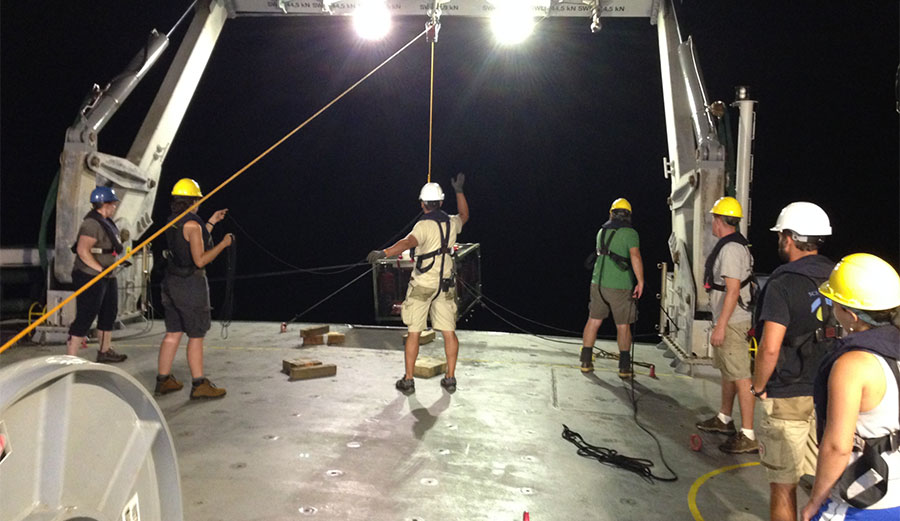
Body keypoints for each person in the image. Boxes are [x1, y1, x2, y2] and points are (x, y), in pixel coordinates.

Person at [751, 201, 837, 521]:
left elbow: (770, 347)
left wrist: (759, 386)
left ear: (789, 237)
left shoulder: (782, 284)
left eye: (780, 236)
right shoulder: (838, 276)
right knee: (823, 483)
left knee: (783, 485)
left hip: (788, 393)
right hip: (829, 394)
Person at [801, 254, 900, 521]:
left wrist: (814, 502)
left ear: (851, 314)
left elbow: (837, 446)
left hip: (863, 499)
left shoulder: (853, 364)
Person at [367, 174, 469, 394]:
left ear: (422, 204)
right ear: (441, 202)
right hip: (445, 285)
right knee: (449, 332)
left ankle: (409, 380)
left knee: (414, 332)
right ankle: (450, 378)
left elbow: (406, 243)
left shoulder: (422, 226)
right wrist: (459, 190)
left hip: (423, 284)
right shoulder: (451, 222)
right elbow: (464, 215)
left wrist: (383, 253)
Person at [154, 178, 233, 400]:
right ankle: (199, 384)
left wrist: (211, 222)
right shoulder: (193, 225)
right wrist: (223, 244)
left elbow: (188, 243)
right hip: (190, 286)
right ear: (193, 201)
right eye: (198, 199)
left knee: (173, 333)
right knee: (196, 335)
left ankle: (164, 380)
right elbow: (200, 259)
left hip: (170, 283)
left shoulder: (173, 221)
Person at [695, 197, 758, 454]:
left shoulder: (731, 250)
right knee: (729, 371)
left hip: (733, 322)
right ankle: (724, 419)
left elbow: (732, 291)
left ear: (719, 220)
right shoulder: (734, 245)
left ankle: (749, 434)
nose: (712, 221)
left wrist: (720, 326)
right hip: (730, 319)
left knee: (741, 376)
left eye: (713, 217)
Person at [580, 197, 644, 379]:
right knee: (623, 326)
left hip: (597, 283)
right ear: (629, 216)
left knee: (593, 320)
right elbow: (635, 257)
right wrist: (640, 281)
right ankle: (624, 367)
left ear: (611, 213)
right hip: (620, 286)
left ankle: (585, 360)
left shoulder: (601, 232)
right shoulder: (631, 234)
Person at [66, 186, 127, 363]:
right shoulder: (91, 224)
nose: (115, 207)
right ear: (105, 204)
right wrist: (99, 270)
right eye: (113, 204)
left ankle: (105, 351)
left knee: (109, 312)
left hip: (108, 275)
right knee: (87, 314)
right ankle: (70, 357)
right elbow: (82, 250)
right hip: (89, 275)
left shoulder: (107, 222)